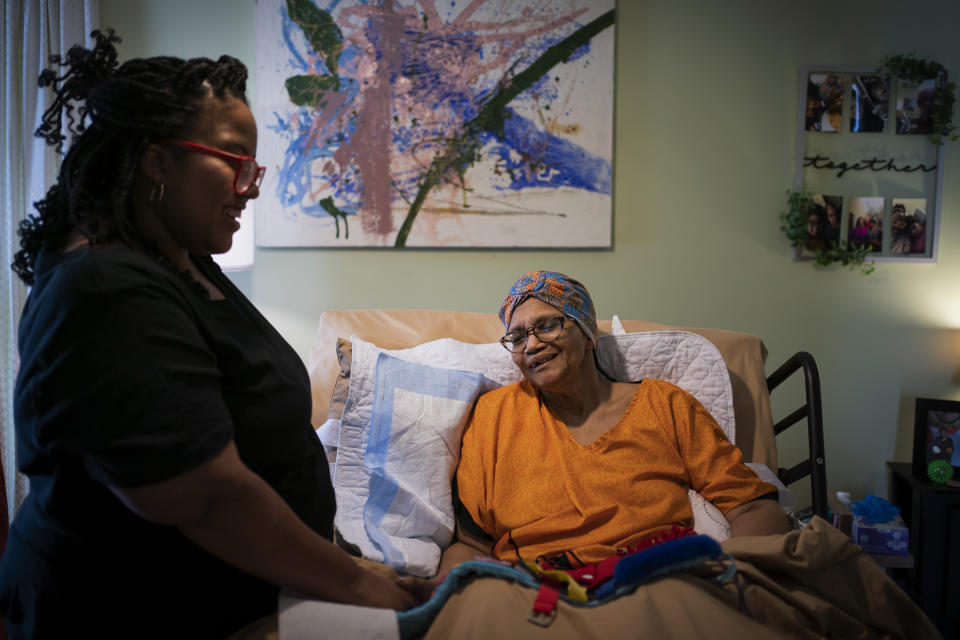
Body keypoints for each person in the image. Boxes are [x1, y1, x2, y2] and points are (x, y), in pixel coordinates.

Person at [0, 30, 418, 639]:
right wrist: (357, 585)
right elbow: (208, 499)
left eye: (254, 165)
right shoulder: (106, 289)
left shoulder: (181, 260)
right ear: (156, 160)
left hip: (242, 596)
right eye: (232, 159)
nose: (250, 185)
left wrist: (340, 565)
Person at [398, 271, 940, 639]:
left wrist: (736, 571)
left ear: (586, 331)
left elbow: (750, 504)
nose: (530, 345)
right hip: (539, 586)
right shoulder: (495, 416)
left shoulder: (663, 404)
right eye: (516, 338)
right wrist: (457, 586)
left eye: (546, 324)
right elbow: (468, 537)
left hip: (656, 574)